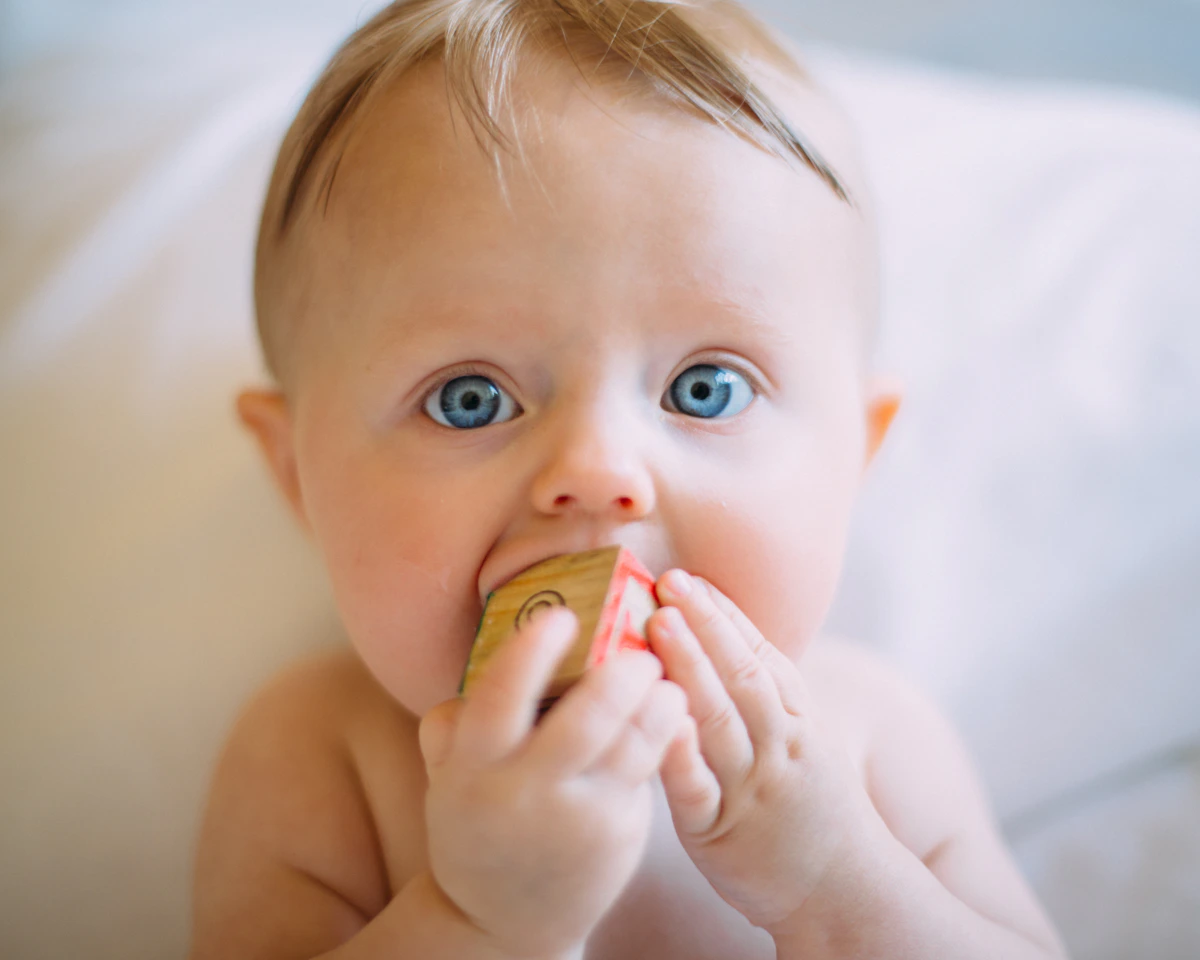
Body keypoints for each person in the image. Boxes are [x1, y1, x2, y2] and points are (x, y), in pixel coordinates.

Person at [190, 1, 1067, 957]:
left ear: (855, 456)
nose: (598, 473)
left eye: (706, 387)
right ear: (297, 476)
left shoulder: (867, 741)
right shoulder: (321, 756)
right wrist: (478, 919)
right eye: (470, 399)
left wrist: (837, 882)